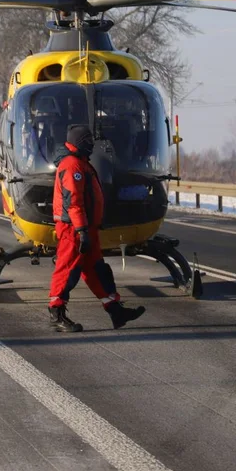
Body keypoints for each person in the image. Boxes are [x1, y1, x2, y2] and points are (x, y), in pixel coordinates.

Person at [49, 124, 146, 332]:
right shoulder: (72, 166)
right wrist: (82, 231)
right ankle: (56, 312)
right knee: (68, 269)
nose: (92, 144)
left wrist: (89, 229)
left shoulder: (81, 163)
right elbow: (73, 202)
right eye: (88, 140)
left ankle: (115, 311)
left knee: (97, 270)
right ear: (79, 142)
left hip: (85, 228)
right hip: (73, 229)